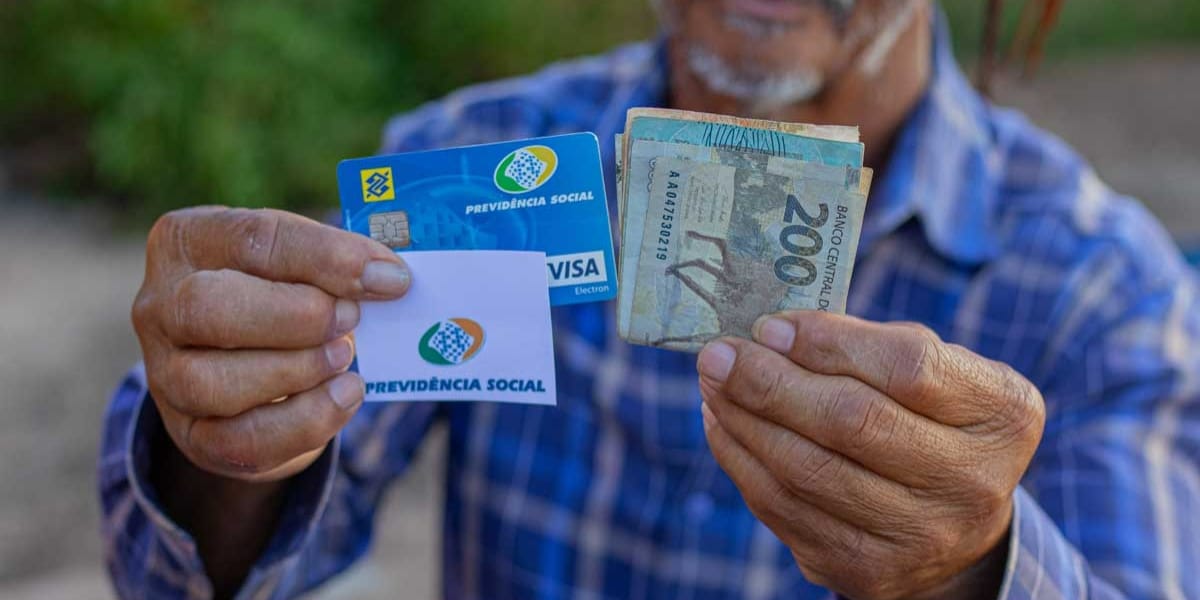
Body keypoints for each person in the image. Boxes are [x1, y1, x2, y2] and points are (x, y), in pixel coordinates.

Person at [99, 0, 1200, 598]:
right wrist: (226, 439)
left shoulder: (1107, 288)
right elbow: (178, 579)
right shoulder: (473, 155)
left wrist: (975, 572)